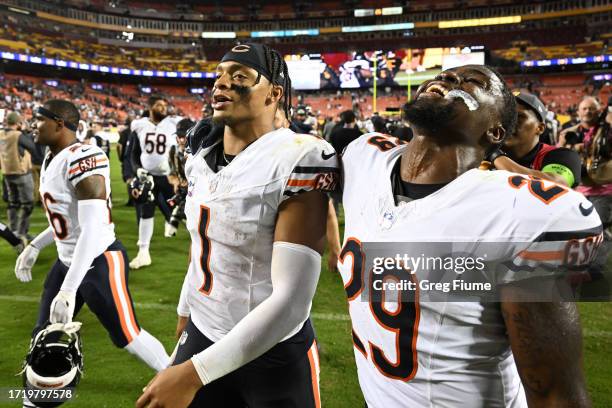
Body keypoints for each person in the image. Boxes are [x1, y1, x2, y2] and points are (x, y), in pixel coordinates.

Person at [338, 65, 599, 407]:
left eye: (473, 82)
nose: (447, 79)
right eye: (445, 75)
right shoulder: (365, 157)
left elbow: (554, 393)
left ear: (495, 131)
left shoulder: (516, 212)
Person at [137, 43, 338, 408]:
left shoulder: (300, 156)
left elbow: (292, 301)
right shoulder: (199, 155)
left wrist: (195, 371)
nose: (221, 84)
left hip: (273, 350)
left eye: (239, 76)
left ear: (274, 94)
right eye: (219, 76)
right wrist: (187, 312)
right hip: (203, 329)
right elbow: (201, 246)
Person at [14, 100, 170, 407]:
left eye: (39, 120)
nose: (33, 125)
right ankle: (35, 402)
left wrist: (69, 289)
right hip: (67, 259)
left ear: (60, 123)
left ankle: (178, 379)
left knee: (127, 335)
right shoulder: (50, 157)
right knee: (44, 337)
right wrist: (35, 245)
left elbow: (92, 228)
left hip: (99, 260)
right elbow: (67, 222)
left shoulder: (84, 156)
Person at [129, 96, 183, 268]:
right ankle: (143, 252)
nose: (163, 108)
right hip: (148, 177)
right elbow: (133, 152)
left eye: (165, 105)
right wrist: (137, 169)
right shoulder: (139, 125)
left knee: (183, 208)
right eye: (159, 105)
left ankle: (200, 245)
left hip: (168, 176)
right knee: (146, 212)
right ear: (150, 107)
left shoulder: (173, 123)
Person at [490, 91, 582, 187]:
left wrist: (495, 156)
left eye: (518, 116)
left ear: (540, 128)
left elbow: (555, 186)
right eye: (504, 117)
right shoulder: (483, 155)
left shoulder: (563, 156)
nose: (508, 123)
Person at [0, 111, 34, 239]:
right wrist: (25, 131)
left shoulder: (1, 133)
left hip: (7, 173)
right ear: (18, 123)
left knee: (13, 203)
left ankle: (13, 230)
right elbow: (32, 146)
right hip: (21, 174)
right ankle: (21, 232)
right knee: (27, 204)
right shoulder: (18, 135)